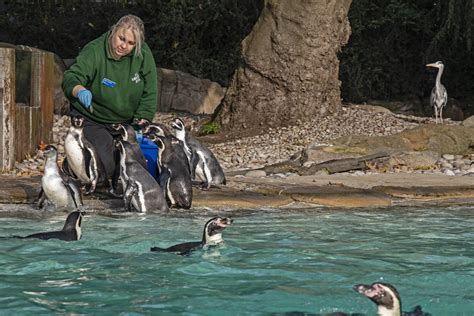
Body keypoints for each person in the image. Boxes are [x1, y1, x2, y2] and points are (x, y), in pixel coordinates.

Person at [62, 14, 158, 189]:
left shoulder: (142, 54)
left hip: (124, 121)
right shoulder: (95, 50)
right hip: (92, 117)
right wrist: (80, 90)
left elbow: (150, 91)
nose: (124, 46)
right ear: (114, 30)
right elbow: (71, 77)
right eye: (121, 38)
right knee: (107, 167)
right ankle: (73, 165)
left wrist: (142, 119)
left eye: (131, 43)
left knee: (137, 167)